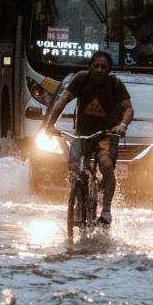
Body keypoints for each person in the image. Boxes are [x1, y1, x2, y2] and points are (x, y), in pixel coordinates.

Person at [43, 51, 133, 225]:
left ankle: (106, 209)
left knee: (106, 165)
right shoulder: (80, 80)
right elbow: (63, 100)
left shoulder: (115, 84)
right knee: (75, 167)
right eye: (96, 66)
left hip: (106, 135)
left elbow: (128, 109)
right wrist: (50, 125)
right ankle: (78, 204)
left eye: (104, 67)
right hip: (82, 134)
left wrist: (122, 125)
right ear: (90, 67)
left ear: (109, 70)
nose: (99, 70)